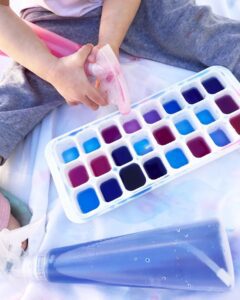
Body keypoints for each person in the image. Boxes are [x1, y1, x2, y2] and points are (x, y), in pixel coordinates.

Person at [1, 0, 240, 228]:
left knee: (203, 34)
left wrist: (108, 45)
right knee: (18, 96)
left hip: (130, 8)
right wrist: (53, 71)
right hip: (52, 24)